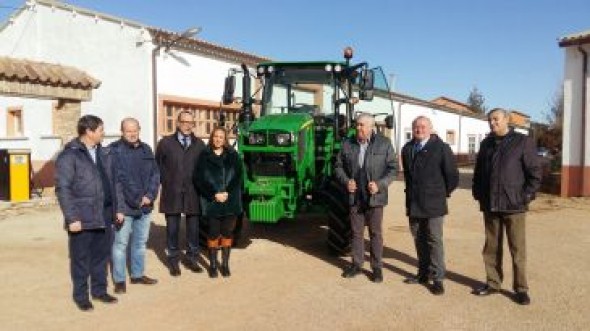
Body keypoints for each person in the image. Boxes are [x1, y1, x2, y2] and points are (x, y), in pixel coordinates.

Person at [472, 108, 542, 305]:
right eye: (489, 120)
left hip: (514, 205)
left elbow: (535, 172)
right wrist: (478, 193)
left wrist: (526, 195)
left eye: (496, 119)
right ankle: (493, 283)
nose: (492, 123)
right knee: (491, 247)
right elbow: (478, 173)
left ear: (506, 120)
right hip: (490, 205)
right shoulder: (486, 143)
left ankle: (521, 289)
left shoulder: (522, 142)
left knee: (517, 249)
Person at [55, 115, 118, 311]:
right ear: (89, 132)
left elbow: (114, 183)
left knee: (101, 256)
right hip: (82, 217)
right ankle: (81, 296)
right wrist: (72, 218)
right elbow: (63, 189)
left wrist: (117, 210)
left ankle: (99, 291)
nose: (103, 133)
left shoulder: (105, 153)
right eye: (100, 129)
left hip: (105, 213)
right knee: (81, 259)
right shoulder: (69, 156)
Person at [400, 116, 459, 295]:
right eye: (416, 127)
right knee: (419, 239)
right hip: (414, 203)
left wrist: (440, 194)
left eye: (423, 126)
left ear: (430, 128)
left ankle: (438, 278)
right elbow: (409, 178)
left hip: (434, 204)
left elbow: (452, 177)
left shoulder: (441, 148)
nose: (419, 129)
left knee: (434, 240)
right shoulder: (407, 148)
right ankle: (422, 273)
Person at [335, 113, 397, 283]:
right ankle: (357, 264)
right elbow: (338, 167)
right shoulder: (347, 143)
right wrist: (347, 181)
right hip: (355, 196)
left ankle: (376, 268)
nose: (358, 128)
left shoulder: (384, 144)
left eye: (362, 125)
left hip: (375, 197)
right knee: (356, 232)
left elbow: (393, 169)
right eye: (357, 124)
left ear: (371, 127)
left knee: (375, 233)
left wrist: (380, 184)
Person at [110, 118, 160, 294]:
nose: (132, 134)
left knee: (140, 243)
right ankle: (119, 280)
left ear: (139, 129)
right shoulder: (114, 150)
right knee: (120, 244)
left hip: (145, 206)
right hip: (125, 208)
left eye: (135, 130)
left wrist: (150, 195)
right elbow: (116, 182)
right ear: (121, 131)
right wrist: (120, 208)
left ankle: (137, 275)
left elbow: (155, 174)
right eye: (128, 131)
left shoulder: (146, 149)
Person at [155, 110, 206, 276]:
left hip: (193, 193)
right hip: (172, 192)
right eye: (184, 122)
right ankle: (173, 261)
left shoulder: (199, 145)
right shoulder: (165, 143)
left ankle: (192, 259)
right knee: (172, 230)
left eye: (191, 123)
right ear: (177, 123)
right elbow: (157, 167)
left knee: (193, 230)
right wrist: (166, 182)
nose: (187, 126)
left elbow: (205, 169)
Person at [193, 127, 242, 278]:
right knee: (213, 233)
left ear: (225, 139)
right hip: (211, 202)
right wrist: (214, 194)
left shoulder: (233, 155)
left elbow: (238, 176)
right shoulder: (204, 156)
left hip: (230, 201)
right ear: (211, 138)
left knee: (227, 232)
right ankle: (213, 265)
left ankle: (225, 264)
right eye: (215, 136)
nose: (218, 139)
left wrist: (227, 192)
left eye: (221, 137)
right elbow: (198, 179)